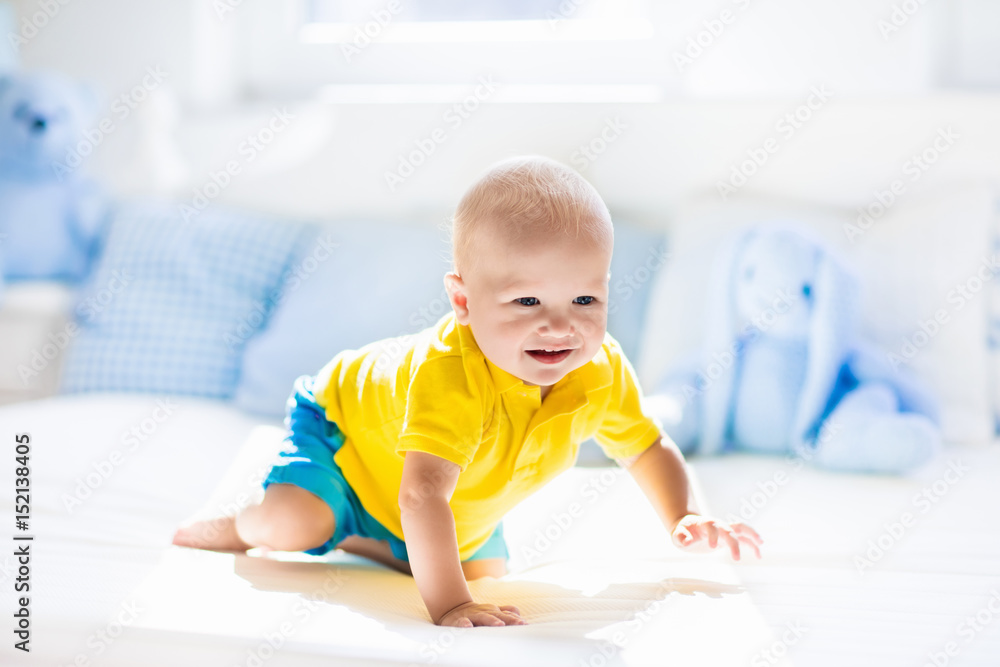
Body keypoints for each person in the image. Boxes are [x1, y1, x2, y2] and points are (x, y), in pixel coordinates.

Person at [172, 155, 762, 628]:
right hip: (346, 437)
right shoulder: (451, 374)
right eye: (527, 301)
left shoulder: (598, 369)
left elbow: (646, 447)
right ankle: (242, 523)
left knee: (489, 575)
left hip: (441, 498)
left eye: (585, 299)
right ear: (463, 301)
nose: (560, 325)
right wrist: (450, 605)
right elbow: (423, 493)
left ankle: (368, 540)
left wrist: (686, 516)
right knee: (291, 527)